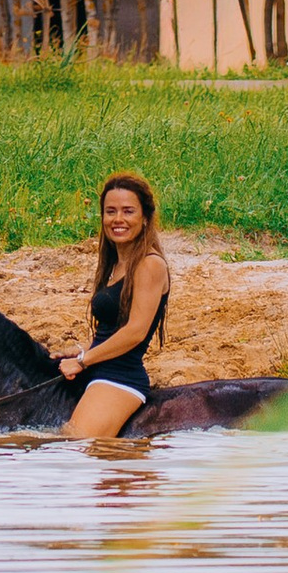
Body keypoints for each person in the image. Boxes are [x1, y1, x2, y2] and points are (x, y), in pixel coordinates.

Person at [60, 173, 170, 442]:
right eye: (110, 212)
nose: (117, 219)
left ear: (145, 218)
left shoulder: (150, 264)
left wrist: (83, 361)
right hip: (98, 368)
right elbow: (113, 328)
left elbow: (135, 331)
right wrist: (84, 350)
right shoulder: (115, 265)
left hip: (120, 379)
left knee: (73, 445)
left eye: (128, 211)